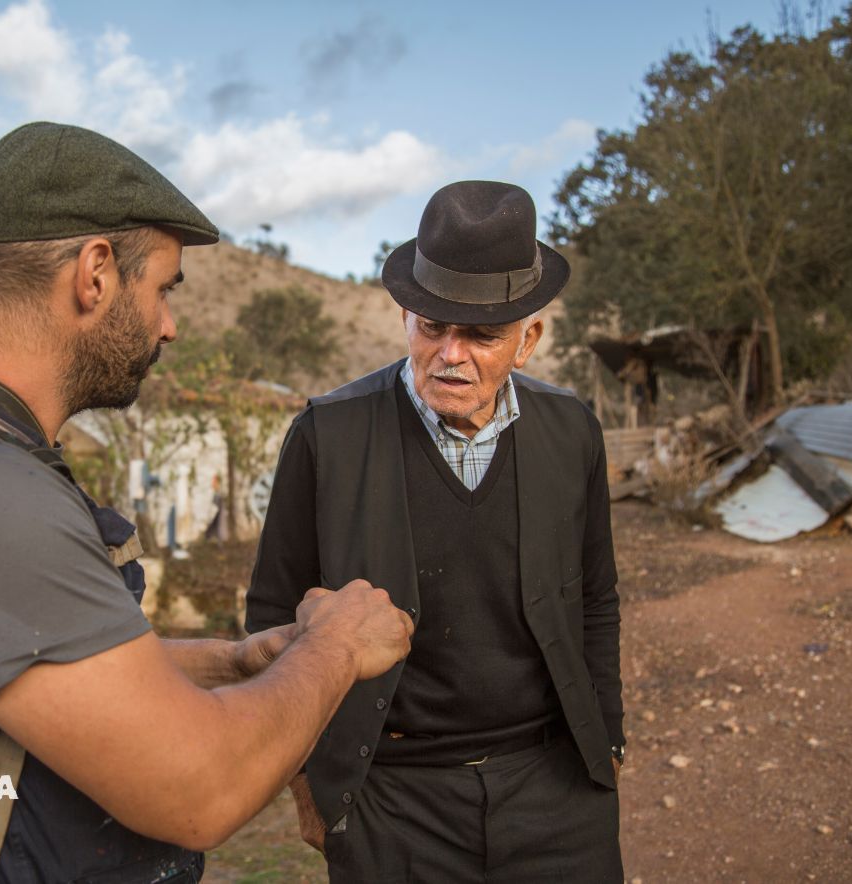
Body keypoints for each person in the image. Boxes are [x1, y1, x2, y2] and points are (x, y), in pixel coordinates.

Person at [0, 122, 414, 882]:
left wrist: (233, 661)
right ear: (95, 274)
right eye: (163, 287)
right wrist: (337, 646)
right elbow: (201, 789)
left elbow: (50, 677)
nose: (169, 325)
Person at [245, 181, 625, 882]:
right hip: (391, 798)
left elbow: (595, 597)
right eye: (431, 326)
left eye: (481, 335)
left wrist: (611, 739)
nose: (450, 354)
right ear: (404, 316)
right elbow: (272, 617)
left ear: (528, 340)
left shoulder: (572, 432)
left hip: (555, 793)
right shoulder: (327, 434)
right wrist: (308, 787)